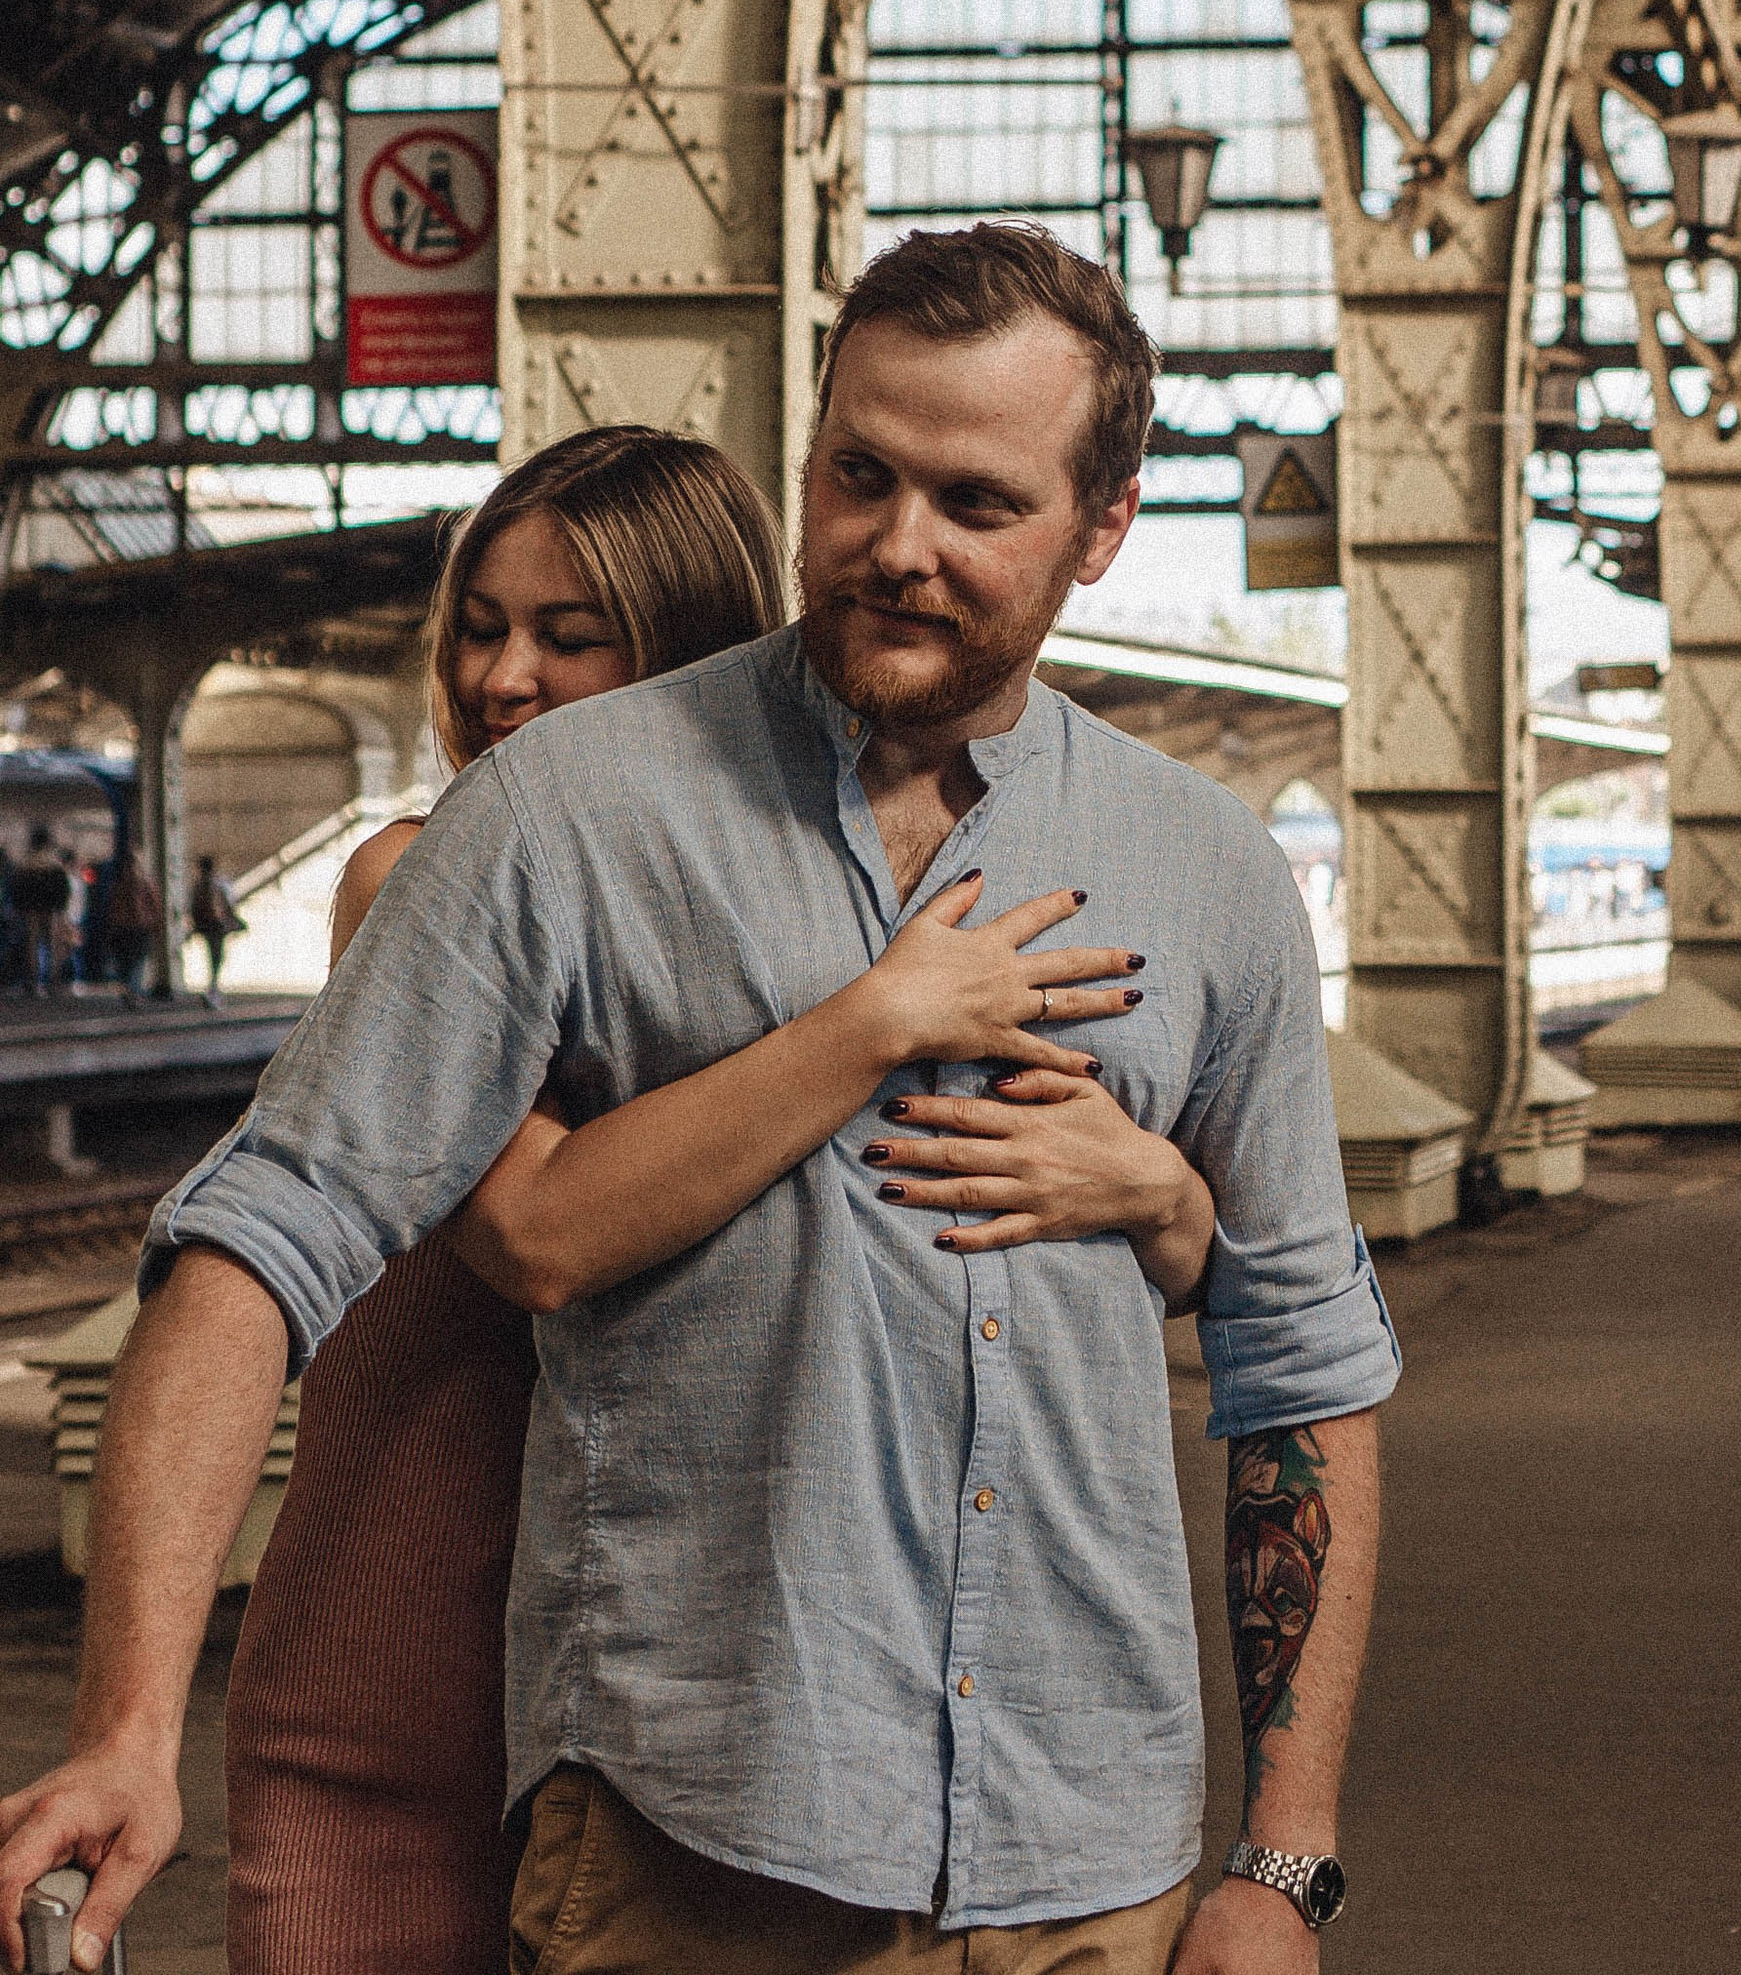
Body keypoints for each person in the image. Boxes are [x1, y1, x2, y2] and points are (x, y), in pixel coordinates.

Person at [1, 224, 1398, 1974]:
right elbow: (260, 1242)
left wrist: (1282, 1866)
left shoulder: (1206, 872)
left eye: (978, 504)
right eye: (859, 475)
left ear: (1102, 527)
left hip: (1090, 1852)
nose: (899, 547)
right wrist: (127, 1725)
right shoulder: (566, 818)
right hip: (697, 1844)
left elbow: (1303, 1364)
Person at [218, 422, 1215, 1975]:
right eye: (480, 628)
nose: (501, 680)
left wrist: (1167, 1199)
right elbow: (538, 1230)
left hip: (682, 1651)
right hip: (414, 1622)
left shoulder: (799, 908)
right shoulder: (419, 871)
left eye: (569, 634)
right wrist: (878, 1022)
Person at [9, 830, 73, 1001]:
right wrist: (61, 910)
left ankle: (32, 982)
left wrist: (18, 909)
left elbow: (16, 891)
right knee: (53, 946)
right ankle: (53, 983)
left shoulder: (24, 866)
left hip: (29, 910)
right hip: (52, 911)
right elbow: (63, 891)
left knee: (31, 946)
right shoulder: (54, 865)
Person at [101, 853, 159, 1006]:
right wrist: (154, 923)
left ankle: (130, 991)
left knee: (127, 962)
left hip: (125, 927)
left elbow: (113, 907)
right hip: (139, 927)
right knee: (136, 961)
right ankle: (132, 991)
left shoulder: (120, 884)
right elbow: (154, 906)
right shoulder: (145, 883)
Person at [185, 852, 240, 1003]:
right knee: (217, 957)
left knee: (211, 956)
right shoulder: (219, 884)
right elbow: (229, 904)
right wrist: (233, 921)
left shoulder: (198, 886)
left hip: (204, 925)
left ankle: (213, 988)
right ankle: (213, 989)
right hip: (218, 925)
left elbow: (191, 908)